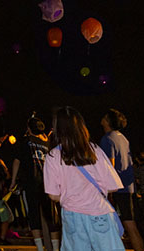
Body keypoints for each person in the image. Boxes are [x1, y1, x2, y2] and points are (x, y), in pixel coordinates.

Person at [43, 106, 124, 251]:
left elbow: (53, 195)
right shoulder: (94, 150)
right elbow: (113, 186)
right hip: (99, 213)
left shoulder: (52, 156)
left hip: (72, 216)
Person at [11, 114, 60, 251]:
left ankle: (40, 248)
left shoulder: (25, 141)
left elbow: (17, 161)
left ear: (29, 128)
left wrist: (13, 181)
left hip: (31, 182)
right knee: (51, 216)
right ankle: (56, 249)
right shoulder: (47, 143)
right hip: (47, 183)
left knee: (33, 215)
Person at [100, 108, 144, 251]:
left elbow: (109, 165)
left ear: (108, 121)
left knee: (129, 226)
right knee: (130, 225)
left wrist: (106, 189)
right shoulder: (123, 138)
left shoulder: (107, 138)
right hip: (128, 186)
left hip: (118, 187)